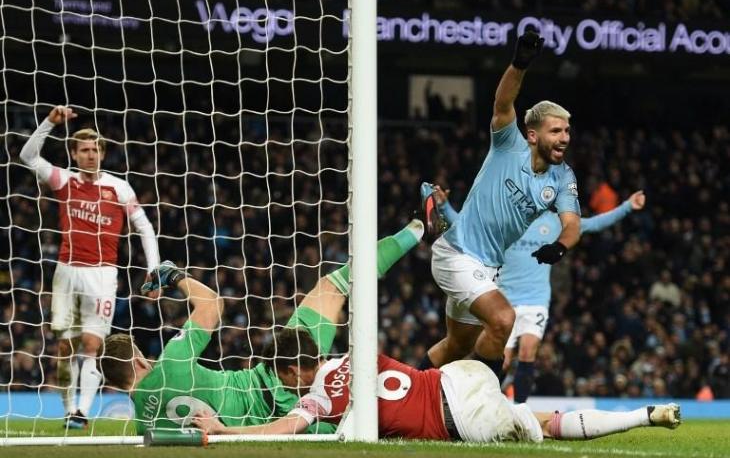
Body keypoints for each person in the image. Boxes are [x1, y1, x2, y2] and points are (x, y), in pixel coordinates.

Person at [98, 220, 424, 434]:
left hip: (278, 420)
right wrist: (173, 276)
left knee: (359, 427)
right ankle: (417, 231)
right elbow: (212, 304)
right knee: (333, 286)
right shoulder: (171, 360)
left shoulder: (144, 427)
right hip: (274, 375)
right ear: (140, 360)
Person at [191, 327, 681, 442]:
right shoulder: (354, 351)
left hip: (459, 420)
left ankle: (644, 417)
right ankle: (647, 413)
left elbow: (281, 430)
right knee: (542, 417)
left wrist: (220, 430)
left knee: (544, 428)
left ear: (291, 371)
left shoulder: (317, 395)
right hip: (459, 375)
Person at [420, 30, 581, 377]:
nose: (564, 138)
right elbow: (503, 104)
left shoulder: (563, 178)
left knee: (457, 347)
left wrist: (560, 247)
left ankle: (404, 394)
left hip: (488, 268)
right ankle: (487, 405)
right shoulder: (509, 144)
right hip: (457, 254)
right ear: (534, 135)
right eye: (556, 131)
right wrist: (520, 64)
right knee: (503, 320)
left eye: (567, 131)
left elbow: (572, 224)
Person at [422, 183, 647, 403]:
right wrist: (444, 206)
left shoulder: (556, 223)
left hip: (535, 300)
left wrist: (627, 206)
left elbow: (593, 224)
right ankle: (478, 401)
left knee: (528, 351)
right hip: (503, 299)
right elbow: (465, 225)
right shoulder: (508, 218)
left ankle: (520, 407)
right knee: (504, 359)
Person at [19, 105, 160, 428]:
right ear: (74, 153)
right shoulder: (64, 180)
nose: (90, 155)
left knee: (93, 345)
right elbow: (28, 156)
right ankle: (68, 407)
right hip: (67, 271)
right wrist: (49, 123)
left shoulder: (119, 187)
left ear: (103, 153)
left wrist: (153, 269)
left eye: (95, 149)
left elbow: (145, 228)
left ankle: (81, 412)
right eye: (84, 150)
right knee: (65, 347)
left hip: (102, 273)